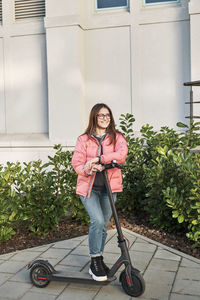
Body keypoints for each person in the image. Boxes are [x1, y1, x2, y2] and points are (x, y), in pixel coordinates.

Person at [72, 103, 128, 282]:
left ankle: (99, 258)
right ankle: (95, 261)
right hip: (89, 190)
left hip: (109, 189)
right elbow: (77, 163)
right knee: (97, 220)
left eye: (108, 115)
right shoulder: (84, 139)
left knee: (103, 224)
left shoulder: (117, 137)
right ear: (94, 117)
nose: (105, 118)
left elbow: (121, 154)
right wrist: (89, 168)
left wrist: (100, 158)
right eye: (101, 115)